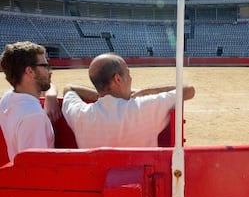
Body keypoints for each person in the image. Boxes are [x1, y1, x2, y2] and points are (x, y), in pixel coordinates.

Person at [62, 53, 195, 148]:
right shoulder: (143, 107)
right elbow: (188, 90)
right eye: (128, 73)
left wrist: (102, 95)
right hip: (142, 181)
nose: (131, 78)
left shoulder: (80, 114)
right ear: (118, 79)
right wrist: (147, 91)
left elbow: (69, 88)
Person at [0, 41, 60, 161]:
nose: (50, 71)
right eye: (45, 66)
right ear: (30, 71)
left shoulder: (7, 98)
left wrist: (51, 95)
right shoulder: (33, 116)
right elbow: (35, 168)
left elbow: (48, 85)